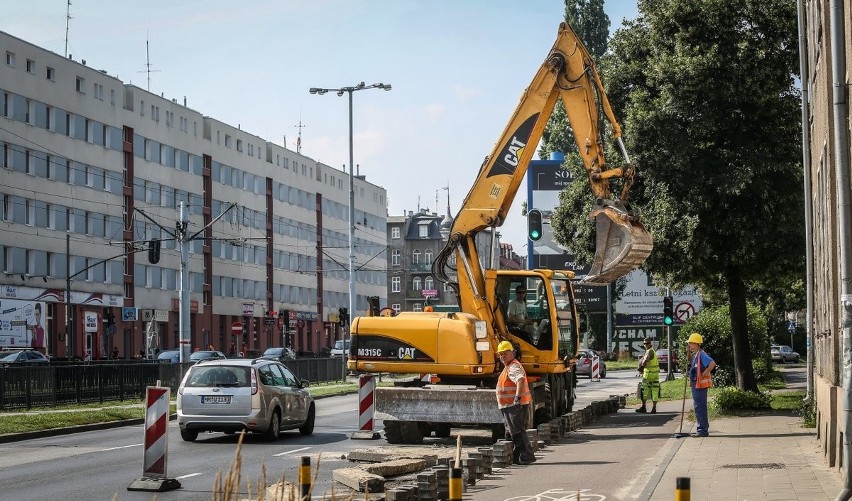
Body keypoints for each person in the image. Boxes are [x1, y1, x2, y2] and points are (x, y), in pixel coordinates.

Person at [495, 340, 536, 465]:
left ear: (512, 353)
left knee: (517, 432)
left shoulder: (513, 366)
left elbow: (520, 380)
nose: (502, 356)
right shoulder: (508, 367)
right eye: (500, 354)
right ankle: (515, 457)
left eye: (505, 353)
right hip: (509, 406)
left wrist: (517, 398)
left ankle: (527, 456)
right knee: (511, 432)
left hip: (514, 406)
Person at [687, 332, 716, 437]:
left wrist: (705, 373)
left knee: (699, 406)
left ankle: (702, 430)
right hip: (696, 385)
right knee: (698, 406)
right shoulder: (697, 355)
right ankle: (702, 428)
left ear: (696, 343)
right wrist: (689, 355)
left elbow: (712, 363)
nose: (689, 345)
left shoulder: (702, 354)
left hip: (700, 386)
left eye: (690, 343)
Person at [635, 337, 660, 413]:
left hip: (648, 374)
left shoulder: (649, 351)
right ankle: (654, 408)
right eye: (644, 343)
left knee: (644, 391)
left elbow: (645, 360)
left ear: (650, 344)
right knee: (655, 390)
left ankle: (643, 407)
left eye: (647, 343)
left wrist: (641, 367)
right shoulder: (653, 351)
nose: (645, 345)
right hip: (655, 375)